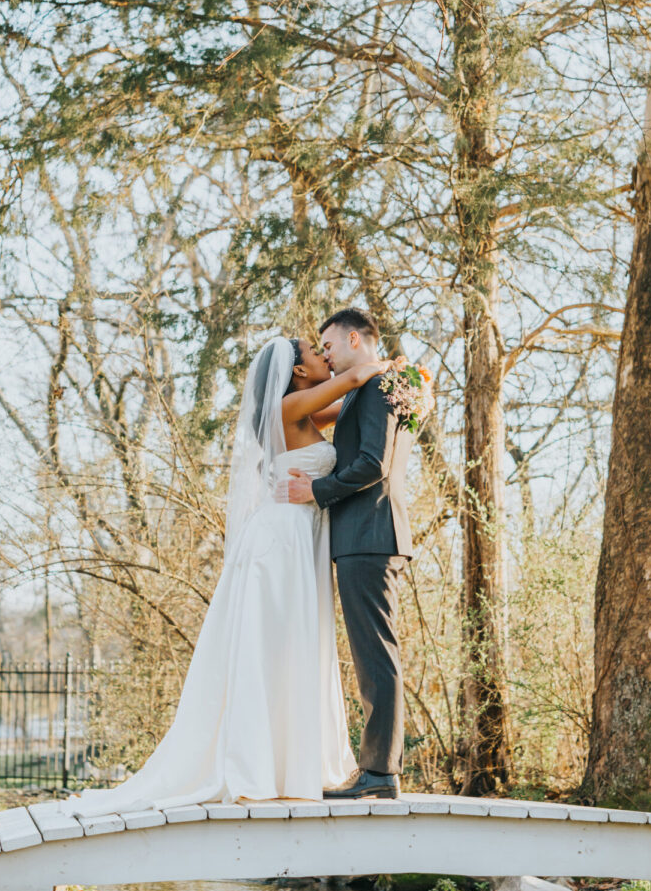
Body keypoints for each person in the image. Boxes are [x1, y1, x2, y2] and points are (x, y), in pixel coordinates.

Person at [63, 334, 399, 816]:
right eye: (314, 352)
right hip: (282, 539)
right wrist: (392, 367)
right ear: (298, 372)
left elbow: (346, 408)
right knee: (278, 645)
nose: (324, 356)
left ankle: (283, 763)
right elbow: (353, 378)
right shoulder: (290, 404)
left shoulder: (301, 411)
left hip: (295, 534)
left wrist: (400, 396)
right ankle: (260, 766)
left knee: (291, 646)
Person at [285, 308, 413, 801]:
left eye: (331, 346)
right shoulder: (375, 386)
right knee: (372, 655)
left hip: (370, 535)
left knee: (377, 657)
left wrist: (316, 491)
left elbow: (372, 464)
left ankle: (380, 773)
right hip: (367, 536)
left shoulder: (380, 387)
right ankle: (378, 770)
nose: (328, 355)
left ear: (355, 339)